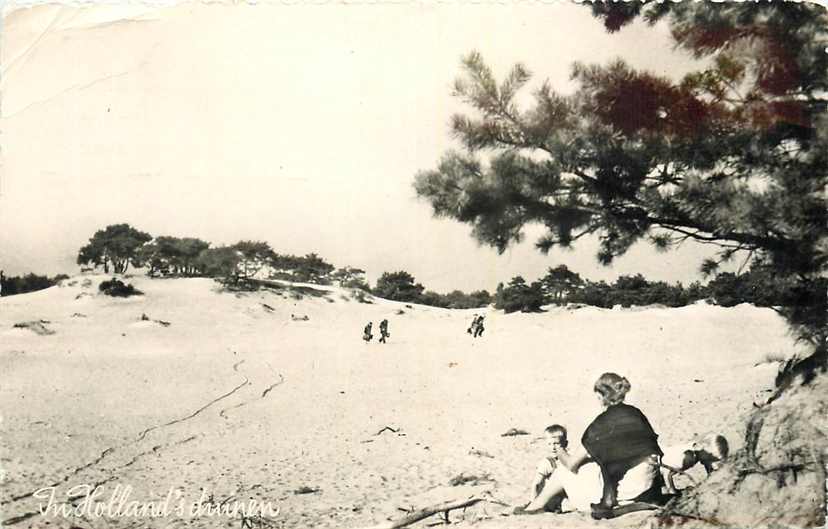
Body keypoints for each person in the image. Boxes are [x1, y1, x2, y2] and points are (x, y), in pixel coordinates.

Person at [581, 373, 664, 518]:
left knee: (599, 461)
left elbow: (588, 454)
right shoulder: (635, 412)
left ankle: (608, 500)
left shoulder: (602, 422)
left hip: (631, 488)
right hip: (650, 484)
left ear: (602, 396)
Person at [515, 425, 603, 515]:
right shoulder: (547, 463)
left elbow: (571, 467)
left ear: (565, 443)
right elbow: (536, 484)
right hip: (551, 496)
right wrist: (533, 501)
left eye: (556, 443)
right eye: (549, 444)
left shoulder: (568, 457)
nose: (553, 447)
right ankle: (535, 507)